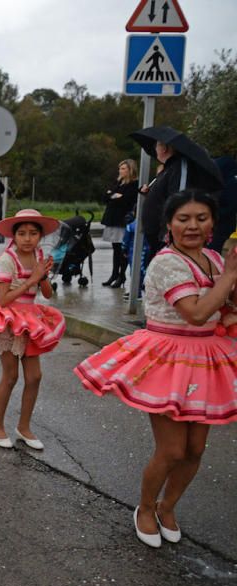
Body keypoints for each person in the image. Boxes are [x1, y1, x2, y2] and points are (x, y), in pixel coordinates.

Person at [74, 190, 237, 548]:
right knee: (173, 449)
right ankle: (145, 508)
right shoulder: (166, 262)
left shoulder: (212, 257)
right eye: (183, 219)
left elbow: (220, 309)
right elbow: (194, 312)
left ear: (213, 222)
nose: (192, 225)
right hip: (169, 357)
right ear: (168, 224)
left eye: (201, 218)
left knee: (196, 449)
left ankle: (168, 506)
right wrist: (231, 277)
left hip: (208, 358)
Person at [0, 209, 65, 450]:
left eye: (33, 233)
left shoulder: (38, 255)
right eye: (22, 233)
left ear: (40, 236)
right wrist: (31, 279)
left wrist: (43, 275)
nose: (28, 238)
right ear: (13, 237)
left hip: (31, 319)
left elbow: (47, 294)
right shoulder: (8, 260)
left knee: (35, 376)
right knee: (11, 375)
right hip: (7, 319)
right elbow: (4, 300)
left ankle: (24, 427)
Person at [100, 159, 140, 288]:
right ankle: (114, 274)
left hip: (122, 221)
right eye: (120, 168)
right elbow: (106, 197)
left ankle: (121, 276)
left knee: (122, 249)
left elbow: (126, 200)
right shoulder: (118, 182)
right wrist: (114, 196)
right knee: (115, 249)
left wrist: (115, 196)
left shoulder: (134, 184)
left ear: (130, 170)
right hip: (112, 219)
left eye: (123, 168)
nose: (120, 171)